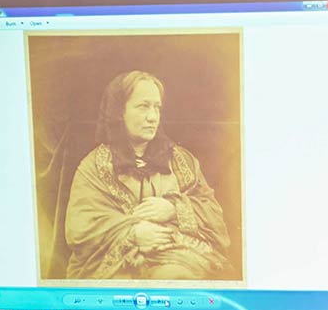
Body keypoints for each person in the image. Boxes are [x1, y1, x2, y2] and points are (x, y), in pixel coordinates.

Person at [65, 70, 233, 280]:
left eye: (157, 108)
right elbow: (81, 228)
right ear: (119, 112)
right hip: (117, 263)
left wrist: (174, 209)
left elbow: (213, 214)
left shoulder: (181, 161)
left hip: (179, 255)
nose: (152, 117)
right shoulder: (94, 167)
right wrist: (133, 234)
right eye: (143, 107)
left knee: (175, 276)